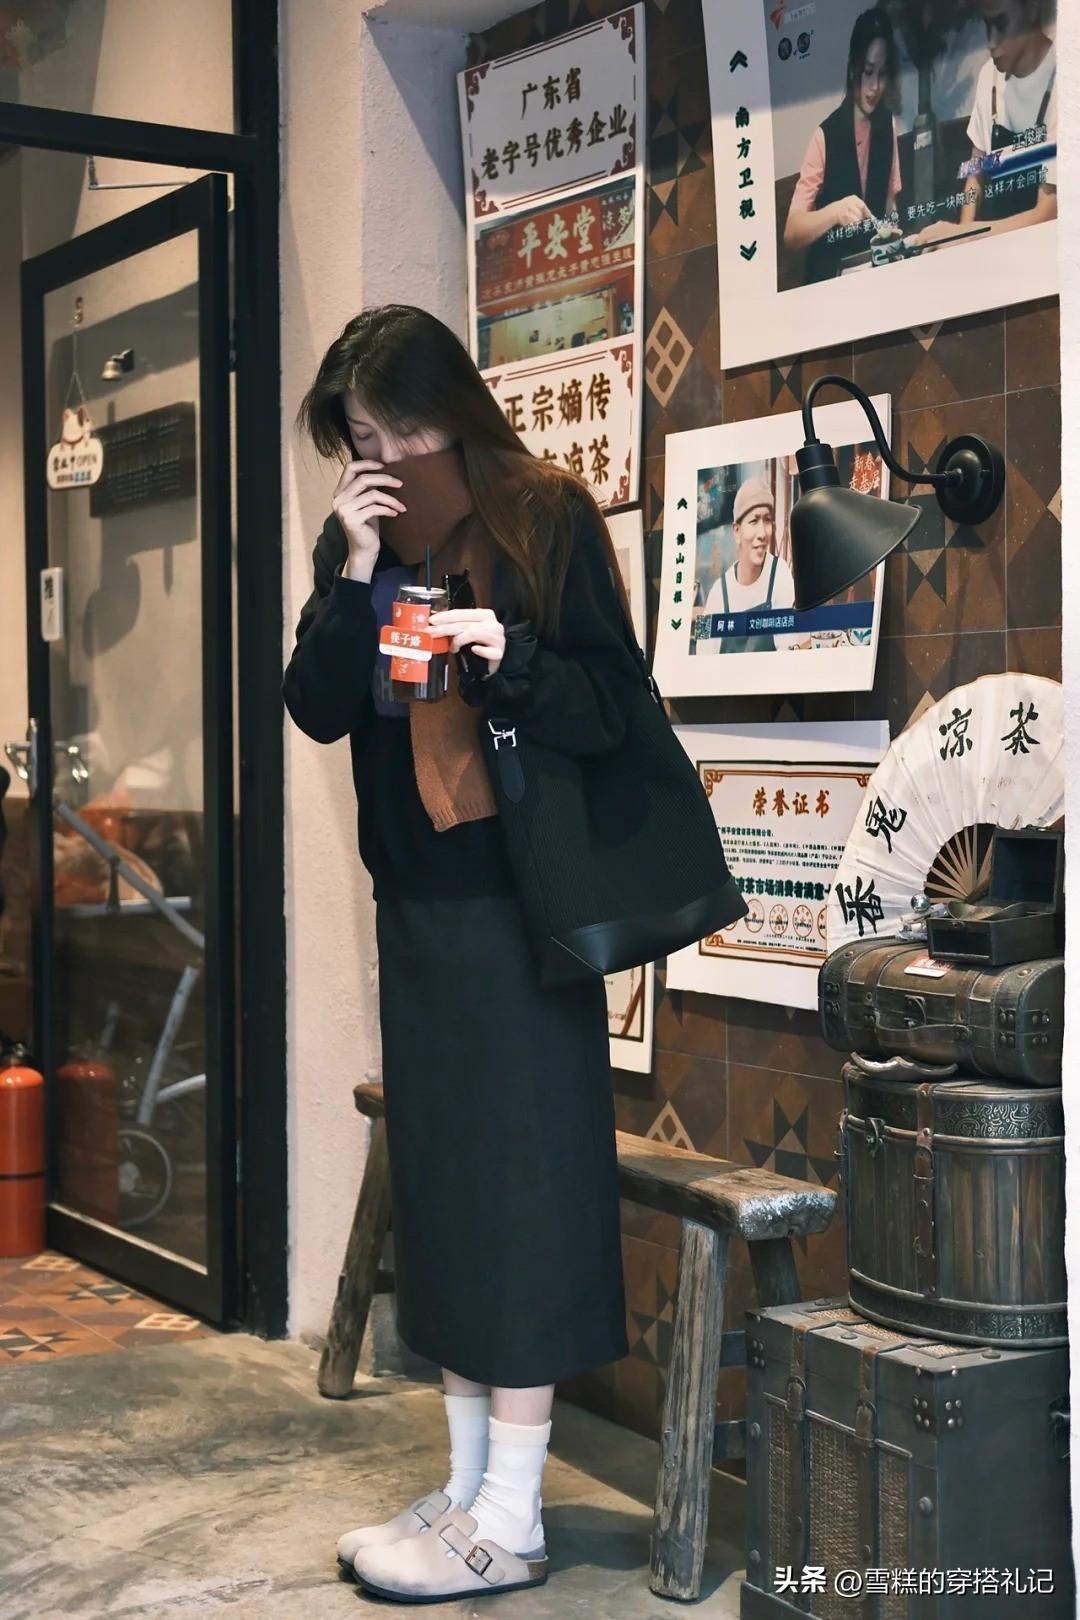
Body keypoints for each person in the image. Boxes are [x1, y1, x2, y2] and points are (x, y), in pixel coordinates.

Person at [283, 305, 639, 1603]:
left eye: (386, 433)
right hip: (421, 910)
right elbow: (318, 704)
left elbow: (614, 705)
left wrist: (512, 658)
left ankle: (514, 1516)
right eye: (356, 442)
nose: (375, 460)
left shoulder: (543, 518)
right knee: (444, 1198)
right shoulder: (370, 544)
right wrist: (350, 566)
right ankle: (466, 1488)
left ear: (443, 410)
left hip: (519, 912)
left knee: (516, 1198)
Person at [915, 0, 1056, 247]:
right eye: (986, 24)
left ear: (1032, 10)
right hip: (995, 247)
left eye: (1001, 24)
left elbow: (1047, 213)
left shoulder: (1064, 78)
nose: (990, 42)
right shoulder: (988, 76)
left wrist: (964, 235)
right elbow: (975, 173)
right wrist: (960, 238)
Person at [783, 7, 903, 283]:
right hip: (830, 278)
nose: (875, 86)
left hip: (873, 273)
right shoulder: (825, 136)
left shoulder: (887, 124)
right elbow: (791, 232)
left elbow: (890, 206)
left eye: (882, 74)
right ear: (853, 69)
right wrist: (835, 212)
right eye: (868, 72)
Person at [696, 476, 798, 655]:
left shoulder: (780, 574)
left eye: (767, 520)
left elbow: (789, 646)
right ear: (737, 531)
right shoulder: (718, 592)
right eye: (754, 521)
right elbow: (701, 651)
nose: (762, 533)